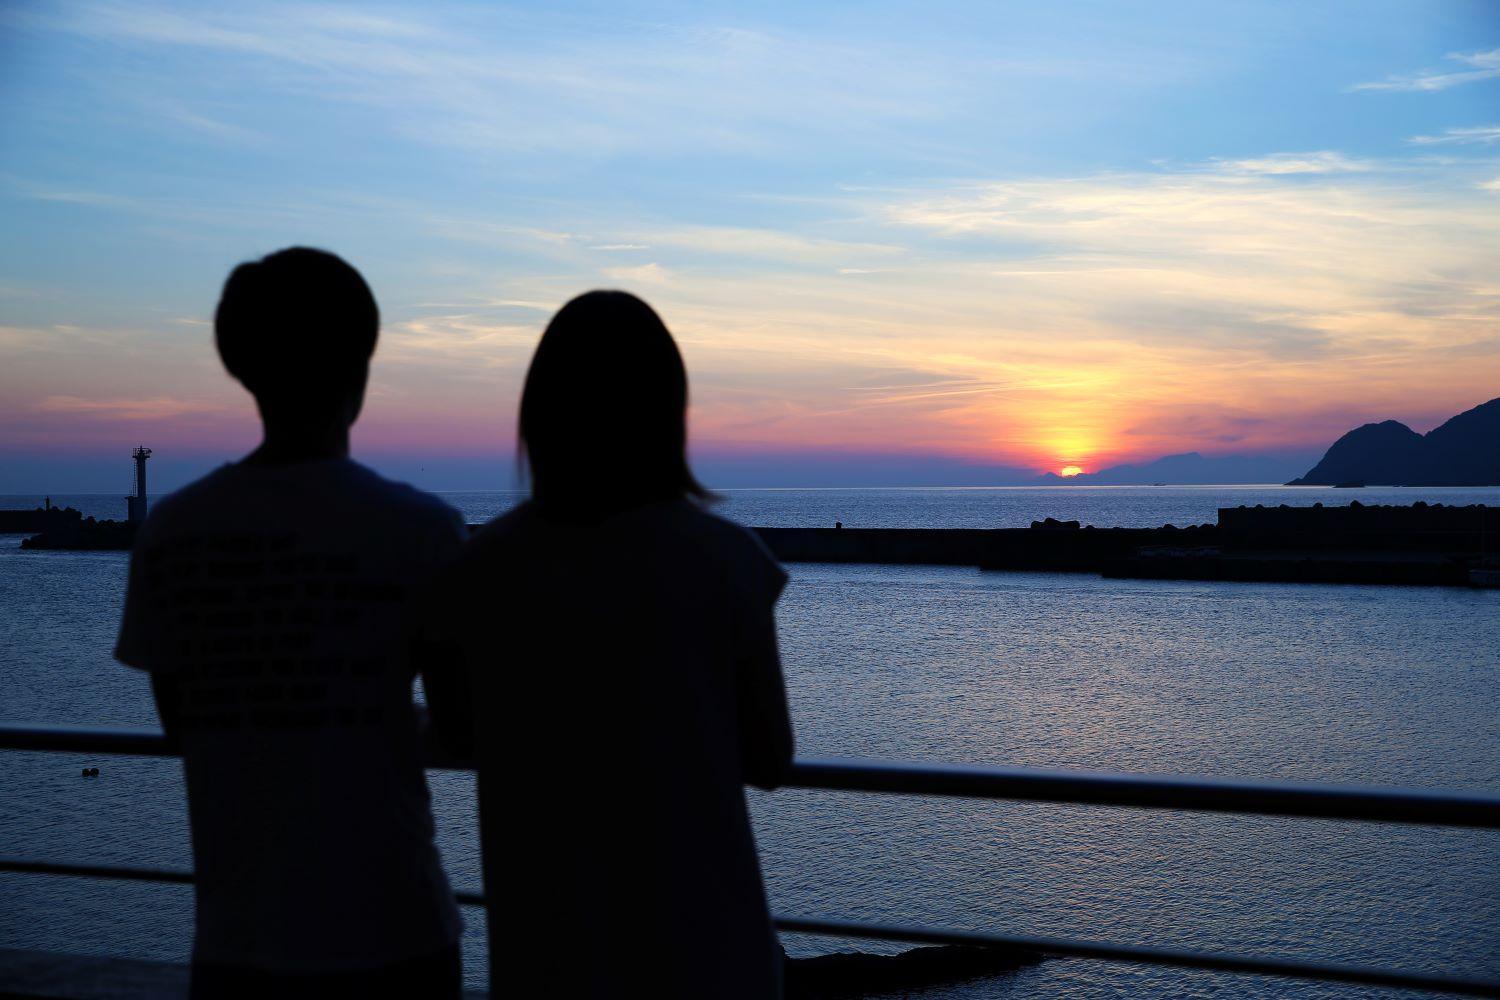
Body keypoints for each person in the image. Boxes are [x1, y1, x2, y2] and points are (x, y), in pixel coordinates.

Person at [423, 290, 794, 998]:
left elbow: (462, 732)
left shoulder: (477, 568)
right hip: (711, 951)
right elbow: (770, 757)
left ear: (540, 412)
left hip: (549, 949)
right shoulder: (725, 560)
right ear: (666, 412)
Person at [115, 248, 464, 998]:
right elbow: (461, 726)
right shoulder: (424, 531)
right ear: (362, 365)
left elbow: (186, 724)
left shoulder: (172, 533)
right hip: (399, 932)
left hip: (238, 943)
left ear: (240, 366)